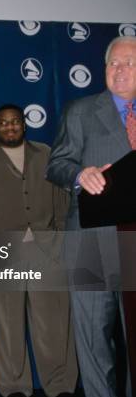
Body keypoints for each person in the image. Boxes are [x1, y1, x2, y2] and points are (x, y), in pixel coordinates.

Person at [46, 35, 136, 397]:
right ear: (103, 69)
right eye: (114, 63)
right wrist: (80, 175)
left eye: (129, 63)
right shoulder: (80, 110)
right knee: (94, 339)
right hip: (90, 239)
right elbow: (57, 164)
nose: (120, 70)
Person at [0, 104, 77, 397]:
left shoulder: (47, 154)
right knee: (7, 326)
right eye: (3, 123)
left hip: (47, 251)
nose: (10, 127)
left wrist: (59, 241)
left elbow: (62, 203)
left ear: (24, 125)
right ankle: (14, 386)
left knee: (53, 323)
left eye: (15, 122)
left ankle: (60, 385)